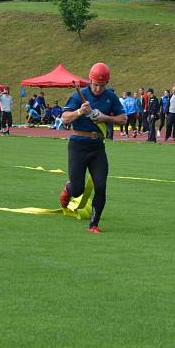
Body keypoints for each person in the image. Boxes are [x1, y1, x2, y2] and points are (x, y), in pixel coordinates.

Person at [58, 62, 127, 233]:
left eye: (102, 85)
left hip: (97, 148)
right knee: (77, 189)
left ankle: (94, 224)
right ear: (90, 80)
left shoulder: (110, 96)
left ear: (107, 83)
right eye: (95, 84)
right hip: (78, 146)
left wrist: (104, 117)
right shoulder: (78, 96)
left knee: (101, 186)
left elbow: (123, 118)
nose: (98, 88)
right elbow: (65, 119)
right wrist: (80, 112)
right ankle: (69, 188)